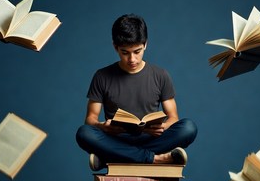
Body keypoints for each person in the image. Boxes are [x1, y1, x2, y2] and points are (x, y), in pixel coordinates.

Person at [76, 13, 197, 171]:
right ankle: (153, 158)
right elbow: (90, 119)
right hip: (116, 140)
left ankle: (107, 159)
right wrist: (103, 126)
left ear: (145, 44)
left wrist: (163, 127)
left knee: (188, 128)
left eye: (137, 51)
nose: (132, 59)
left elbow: (173, 117)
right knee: (84, 133)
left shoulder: (161, 75)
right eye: (125, 52)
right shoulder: (102, 76)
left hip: (151, 139)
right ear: (115, 47)